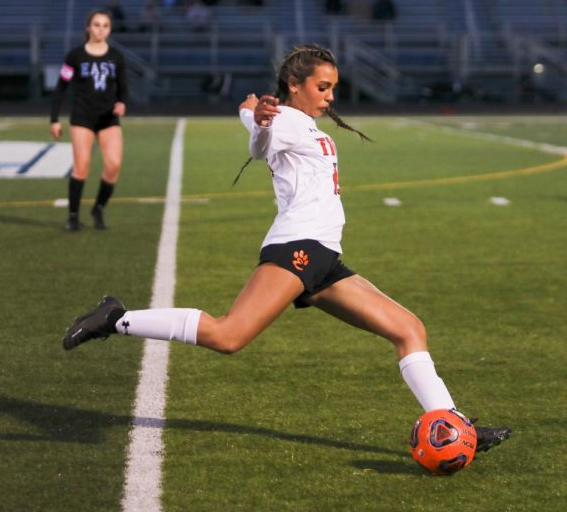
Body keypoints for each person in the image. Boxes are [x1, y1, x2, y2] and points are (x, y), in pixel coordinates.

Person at [61, 44, 512, 453]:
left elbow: (255, 115)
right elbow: (261, 145)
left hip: (324, 259)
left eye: (334, 87)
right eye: (322, 86)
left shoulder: (296, 121)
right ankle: (115, 318)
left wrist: (251, 112)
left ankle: (453, 424)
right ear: (294, 86)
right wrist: (256, 122)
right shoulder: (288, 123)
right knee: (228, 335)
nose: (330, 95)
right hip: (297, 248)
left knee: (409, 329)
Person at [50, 10, 128, 231]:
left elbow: (123, 88)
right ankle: (73, 216)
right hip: (82, 117)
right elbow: (60, 88)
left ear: (109, 30)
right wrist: (54, 119)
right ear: (88, 27)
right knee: (81, 166)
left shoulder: (116, 56)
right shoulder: (75, 56)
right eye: (96, 24)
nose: (100, 29)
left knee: (113, 165)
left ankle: (98, 208)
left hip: (108, 117)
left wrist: (122, 103)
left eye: (105, 25)